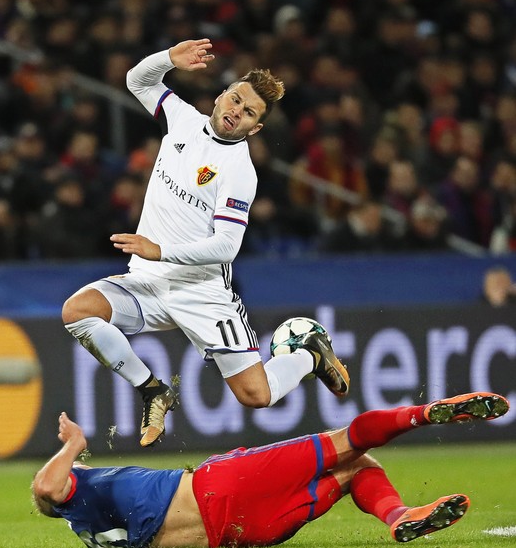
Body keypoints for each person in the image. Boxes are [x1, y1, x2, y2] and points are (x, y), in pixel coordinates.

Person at [61, 38, 349, 447]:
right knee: (78, 312)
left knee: (257, 395)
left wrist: (160, 250)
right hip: (149, 282)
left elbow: (226, 247)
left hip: (202, 292)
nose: (236, 112)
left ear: (257, 128)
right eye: (235, 100)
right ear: (220, 96)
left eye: (249, 112)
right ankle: (152, 390)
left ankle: (308, 353)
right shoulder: (182, 120)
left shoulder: (239, 171)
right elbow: (136, 80)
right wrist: (167, 60)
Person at [32, 391, 510, 548]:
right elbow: (46, 486)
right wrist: (74, 443)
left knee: (354, 472)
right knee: (349, 445)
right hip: (218, 485)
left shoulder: (93, 530)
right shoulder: (81, 491)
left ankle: (399, 516)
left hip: (244, 533)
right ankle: (426, 414)